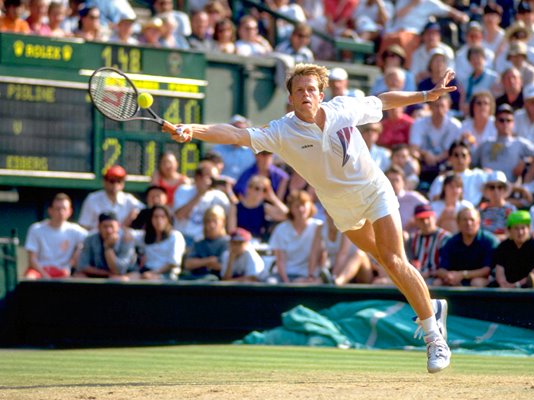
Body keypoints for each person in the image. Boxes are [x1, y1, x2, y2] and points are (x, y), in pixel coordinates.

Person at [164, 63, 456, 373]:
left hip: (374, 190)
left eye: (311, 89)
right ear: (291, 98)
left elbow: (383, 101)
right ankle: (432, 306)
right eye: (299, 90)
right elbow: (236, 135)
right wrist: (192, 130)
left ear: (321, 93)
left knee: (394, 259)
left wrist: (427, 94)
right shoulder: (280, 131)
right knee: (383, 261)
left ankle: (434, 337)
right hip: (339, 206)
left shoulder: (344, 107)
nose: (306, 94)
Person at [24, 193, 88, 279]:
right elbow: (32, 259)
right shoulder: (36, 229)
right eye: (58, 209)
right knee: (29, 278)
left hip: (64, 272)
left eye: (64, 209)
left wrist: (75, 258)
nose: (61, 212)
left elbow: (89, 241)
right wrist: (45, 276)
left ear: (70, 211)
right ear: (50, 211)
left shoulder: (76, 231)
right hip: (39, 271)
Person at [473, 104, 534, 183]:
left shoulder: (520, 143)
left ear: (513, 123)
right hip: (486, 186)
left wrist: (526, 161)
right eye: (501, 120)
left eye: (508, 120)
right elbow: (471, 163)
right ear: (495, 123)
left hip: (510, 188)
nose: (505, 124)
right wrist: (480, 171)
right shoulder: (485, 144)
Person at [436, 207, 499, 287]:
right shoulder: (451, 242)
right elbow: (441, 269)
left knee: (476, 282)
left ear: (479, 222)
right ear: (458, 223)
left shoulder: (489, 241)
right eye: (465, 220)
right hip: (456, 279)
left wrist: (463, 274)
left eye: (472, 220)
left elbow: (487, 270)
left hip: (483, 280)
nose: (468, 223)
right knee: (437, 283)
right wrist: (449, 276)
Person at [173, 161, 230, 244]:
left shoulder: (219, 197)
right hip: (185, 238)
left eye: (214, 178)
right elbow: (179, 216)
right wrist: (199, 195)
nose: (211, 181)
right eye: (209, 177)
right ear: (197, 177)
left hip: (208, 241)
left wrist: (230, 192)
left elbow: (229, 220)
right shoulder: (183, 190)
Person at [492, 210, 534, 289]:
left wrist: (516, 285)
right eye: (516, 228)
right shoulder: (503, 246)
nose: (520, 232)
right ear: (510, 230)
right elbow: (499, 269)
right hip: (506, 287)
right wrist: (503, 284)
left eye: (523, 228)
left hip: (529, 288)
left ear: (529, 229)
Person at [78, 165, 144, 231]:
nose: (115, 184)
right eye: (112, 181)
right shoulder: (92, 199)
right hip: (97, 238)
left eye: (119, 181)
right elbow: (84, 226)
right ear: (105, 182)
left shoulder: (128, 199)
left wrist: (132, 217)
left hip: (121, 239)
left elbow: (145, 210)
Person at [75, 212, 137, 279]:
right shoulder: (90, 239)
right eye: (105, 226)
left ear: (118, 226)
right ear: (98, 227)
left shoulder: (126, 239)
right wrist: (107, 274)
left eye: (111, 226)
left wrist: (108, 248)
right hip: (100, 273)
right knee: (78, 276)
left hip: (125, 274)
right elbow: (83, 265)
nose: (109, 230)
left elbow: (119, 270)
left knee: (119, 279)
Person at [228, 175, 289, 242]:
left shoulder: (264, 208)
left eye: (264, 190)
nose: (260, 192)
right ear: (248, 188)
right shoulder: (235, 207)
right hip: (239, 242)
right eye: (257, 188)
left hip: (257, 243)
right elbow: (232, 230)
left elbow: (287, 215)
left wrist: (273, 198)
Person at [133, 205, 186, 281]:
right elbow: (129, 234)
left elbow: (173, 263)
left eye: (163, 217)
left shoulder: (175, 236)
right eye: (155, 217)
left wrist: (153, 273)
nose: (159, 220)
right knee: (124, 280)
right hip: (146, 272)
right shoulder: (145, 236)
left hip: (167, 275)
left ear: (168, 219)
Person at [428, 140, 488, 206]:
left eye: (463, 155)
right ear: (450, 158)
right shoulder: (441, 179)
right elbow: (433, 201)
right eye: (456, 155)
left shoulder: (478, 175)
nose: (460, 159)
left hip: (473, 213)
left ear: (469, 158)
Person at [181, 204, 229, 280]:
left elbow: (222, 266)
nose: (211, 225)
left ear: (222, 222)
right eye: (208, 221)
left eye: (215, 221)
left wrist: (199, 262)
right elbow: (188, 264)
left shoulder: (227, 243)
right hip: (197, 276)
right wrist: (209, 260)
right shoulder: (199, 243)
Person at [407, 204, 451, 285]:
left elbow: (446, 268)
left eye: (428, 218)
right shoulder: (413, 239)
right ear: (416, 221)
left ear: (434, 218)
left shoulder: (445, 238)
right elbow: (411, 262)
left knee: (437, 283)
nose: (425, 222)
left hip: (437, 278)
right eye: (421, 219)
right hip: (417, 277)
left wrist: (429, 274)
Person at [385, 165, 427, 233]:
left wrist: (416, 219)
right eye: (390, 180)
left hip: (411, 238)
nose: (393, 183)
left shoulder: (413, 197)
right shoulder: (380, 200)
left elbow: (429, 209)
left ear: (403, 182)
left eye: (396, 180)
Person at [478, 171, 516, 239]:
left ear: (504, 190)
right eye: (492, 187)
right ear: (487, 190)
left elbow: (514, 233)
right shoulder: (481, 209)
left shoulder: (511, 210)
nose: (496, 191)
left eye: (500, 187)